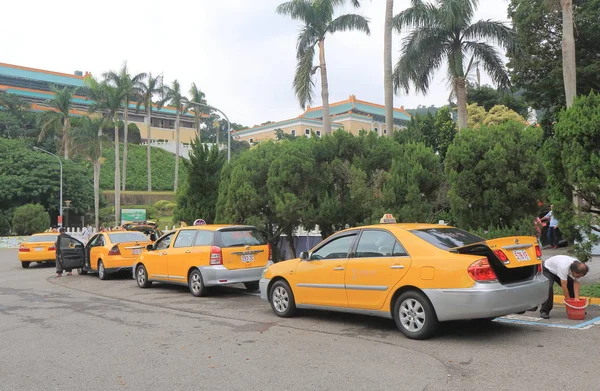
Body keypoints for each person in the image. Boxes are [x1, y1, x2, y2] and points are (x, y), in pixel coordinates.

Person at [540, 255, 589, 319]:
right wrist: (568, 303)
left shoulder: (579, 267)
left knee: (571, 285)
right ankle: (544, 311)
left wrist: (576, 298)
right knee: (548, 287)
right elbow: (564, 286)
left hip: (557, 269)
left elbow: (576, 283)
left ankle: (575, 308)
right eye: (578, 275)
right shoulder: (564, 267)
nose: (579, 277)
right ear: (573, 271)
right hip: (548, 269)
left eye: (581, 276)